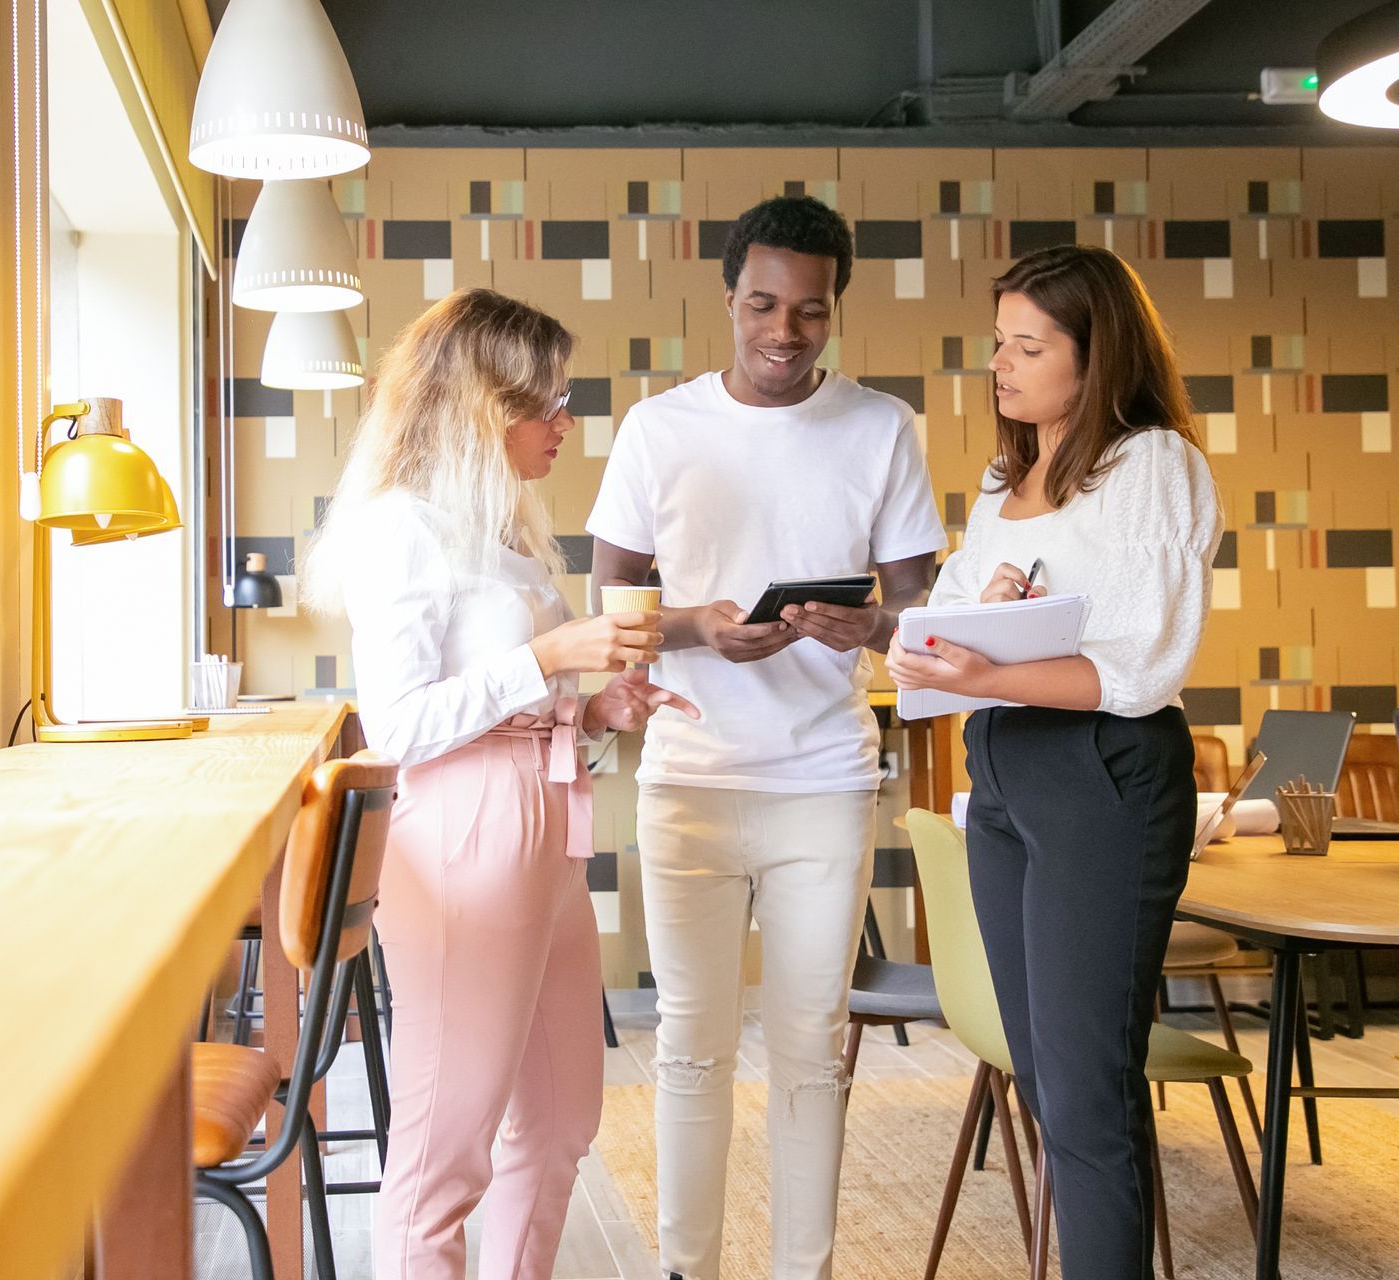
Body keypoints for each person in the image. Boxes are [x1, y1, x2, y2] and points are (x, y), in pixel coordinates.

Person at [302, 288, 699, 1280]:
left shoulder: (504, 532)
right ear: (486, 404)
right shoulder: (404, 527)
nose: (566, 423)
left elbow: (512, 700)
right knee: (447, 1146)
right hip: (461, 835)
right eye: (550, 402)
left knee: (562, 1118)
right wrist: (551, 655)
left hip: (544, 825)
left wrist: (598, 708)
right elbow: (396, 724)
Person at [586, 195, 948, 1280]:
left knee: (809, 1048)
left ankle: (808, 1269)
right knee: (691, 1046)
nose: (783, 332)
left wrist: (872, 625)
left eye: (809, 309)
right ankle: (684, 1267)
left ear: (835, 307)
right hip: (691, 777)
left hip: (823, 782)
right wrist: (694, 630)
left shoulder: (880, 426)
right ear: (728, 296)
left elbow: (922, 619)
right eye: (762, 304)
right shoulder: (660, 428)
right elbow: (611, 607)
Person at [886, 243, 1223, 1279]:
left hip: (1101, 770)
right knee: (1042, 1074)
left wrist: (983, 666)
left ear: (1099, 353)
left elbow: (1136, 667)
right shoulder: (1007, 477)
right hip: (1007, 773)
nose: (1002, 363)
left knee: (1086, 1090)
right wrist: (947, 637)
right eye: (999, 342)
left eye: (1030, 344)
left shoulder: (1153, 464)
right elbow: (955, 619)